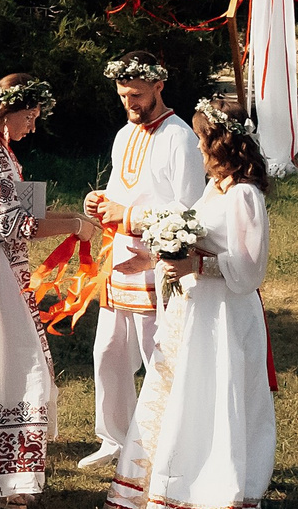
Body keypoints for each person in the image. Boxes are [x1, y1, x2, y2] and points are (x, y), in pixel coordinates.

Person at [102, 100, 278, 509]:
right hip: (194, 310)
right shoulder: (215, 189)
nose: (197, 148)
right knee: (183, 392)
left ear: (221, 143)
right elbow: (192, 234)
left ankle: (212, 497)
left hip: (224, 316)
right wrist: (151, 254)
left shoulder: (243, 195)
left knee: (215, 395)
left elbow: (249, 267)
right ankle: (166, 485)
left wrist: (198, 268)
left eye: (202, 140)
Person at [0, 75, 86, 509]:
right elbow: (13, 224)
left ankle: (0, 477)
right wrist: (75, 226)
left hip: (5, 269)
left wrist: (71, 217)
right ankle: (0, 479)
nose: (34, 126)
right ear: (9, 111)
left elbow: (21, 215)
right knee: (15, 368)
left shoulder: (1, 151)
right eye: (31, 116)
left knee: (17, 368)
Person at [78, 54, 206, 471]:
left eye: (136, 94)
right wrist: (98, 202)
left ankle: (165, 443)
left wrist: (131, 219)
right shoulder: (122, 134)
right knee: (108, 351)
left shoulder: (179, 137)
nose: (130, 102)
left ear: (158, 87)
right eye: (122, 95)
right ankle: (114, 438)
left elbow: (189, 212)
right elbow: (121, 189)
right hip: (119, 259)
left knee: (159, 354)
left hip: (157, 261)